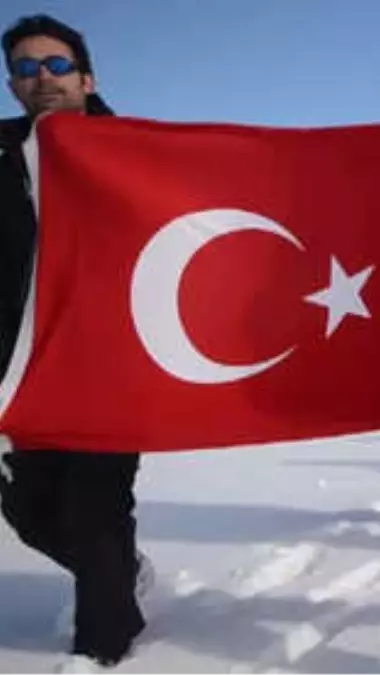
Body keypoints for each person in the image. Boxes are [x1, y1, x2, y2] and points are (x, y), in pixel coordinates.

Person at [0, 14, 153, 667]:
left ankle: (104, 649)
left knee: (96, 510)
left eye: (57, 65)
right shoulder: (2, 154)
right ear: (12, 85)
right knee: (29, 509)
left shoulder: (139, 152)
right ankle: (121, 569)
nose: (43, 78)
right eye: (26, 68)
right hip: (20, 368)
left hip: (109, 366)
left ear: (87, 78)